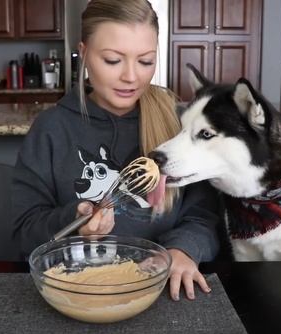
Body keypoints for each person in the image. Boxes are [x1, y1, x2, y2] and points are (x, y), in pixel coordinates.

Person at [11, 0, 220, 301]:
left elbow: (204, 214)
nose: (131, 77)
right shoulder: (51, 129)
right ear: (83, 53)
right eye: (112, 60)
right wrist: (75, 221)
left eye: (146, 61)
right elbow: (25, 232)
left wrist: (183, 249)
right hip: (75, 291)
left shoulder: (180, 122)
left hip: (162, 292)